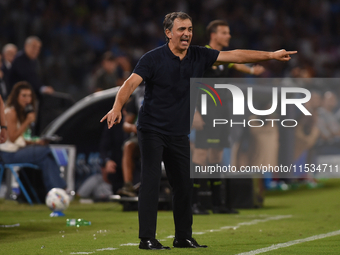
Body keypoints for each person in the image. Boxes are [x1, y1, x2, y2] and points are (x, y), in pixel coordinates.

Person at [101, 12, 296, 250]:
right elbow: (130, 83)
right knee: (150, 182)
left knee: (184, 184)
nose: (187, 34)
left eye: (190, 29)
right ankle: (147, 239)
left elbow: (235, 55)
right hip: (152, 129)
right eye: (182, 29)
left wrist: (271, 56)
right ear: (168, 32)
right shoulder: (152, 59)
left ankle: (183, 236)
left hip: (179, 132)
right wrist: (116, 108)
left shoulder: (199, 55)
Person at [191, 20, 265, 215]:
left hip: (221, 112)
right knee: (200, 155)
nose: (228, 36)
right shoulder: (203, 55)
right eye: (224, 32)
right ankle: (193, 203)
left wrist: (251, 70)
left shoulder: (223, 57)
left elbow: (237, 63)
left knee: (215, 155)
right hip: (205, 112)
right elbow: (191, 84)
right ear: (213, 35)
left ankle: (218, 204)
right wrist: (194, 112)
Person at [0, 81, 66, 193]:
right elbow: (11, 138)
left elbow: (20, 140)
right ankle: (60, 189)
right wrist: (27, 122)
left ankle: (56, 192)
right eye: (24, 96)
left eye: (29, 96)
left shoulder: (21, 112)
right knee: (46, 150)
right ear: (16, 97)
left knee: (46, 161)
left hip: (17, 150)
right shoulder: (11, 112)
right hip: (8, 155)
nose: (27, 99)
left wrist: (36, 142)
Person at [117, 85, 145, 197]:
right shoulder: (138, 96)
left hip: (164, 133)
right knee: (128, 146)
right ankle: (128, 186)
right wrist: (133, 128)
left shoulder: (167, 92)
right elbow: (126, 124)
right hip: (142, 135)